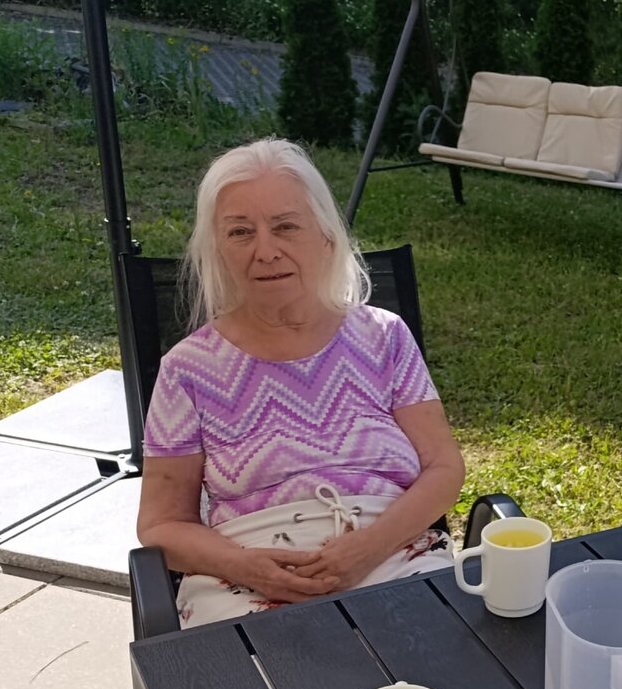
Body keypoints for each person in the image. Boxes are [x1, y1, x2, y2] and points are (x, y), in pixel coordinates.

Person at [136, 138, 465, 628]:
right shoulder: (187, 370)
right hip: (246, 577)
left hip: (393, 553)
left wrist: (367, 548)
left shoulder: (384, 336)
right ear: (217, 250)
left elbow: (444, 468)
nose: (266, 251)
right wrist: (248, 568)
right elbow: (161, 525)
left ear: (326, 236)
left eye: (286, 226)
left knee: (435, 662)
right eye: (240, 232)